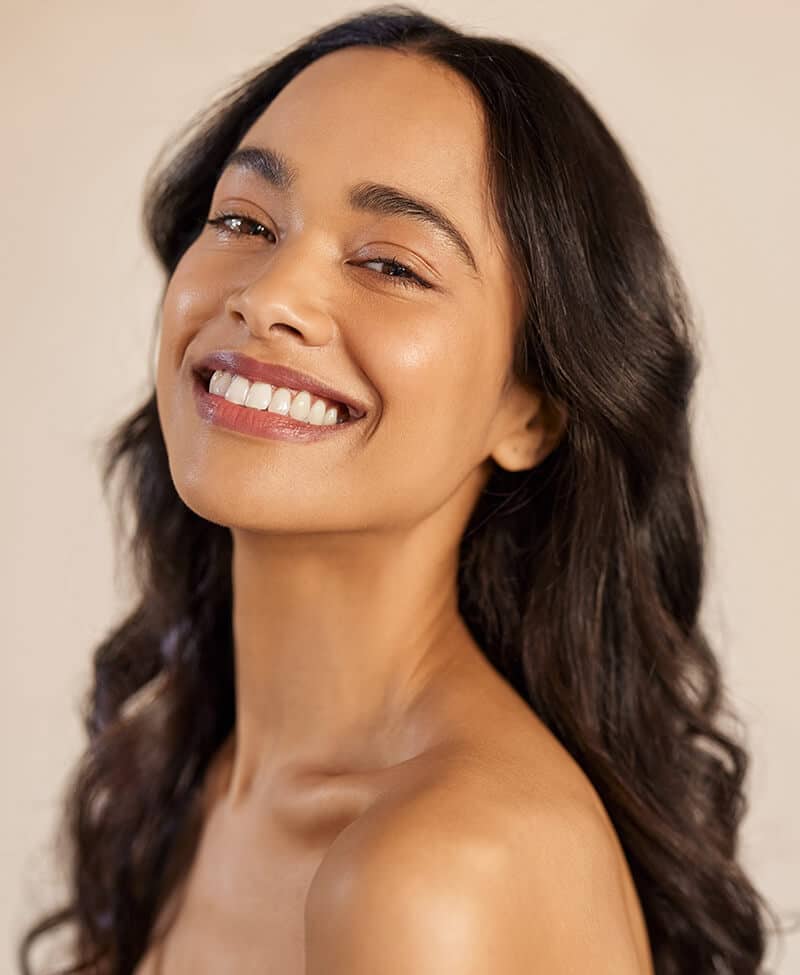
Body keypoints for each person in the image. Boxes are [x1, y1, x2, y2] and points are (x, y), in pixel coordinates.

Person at [19, 6, 780, 974]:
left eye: (388, 263)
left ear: (532, 412)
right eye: (244, 221)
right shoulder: (185, 769)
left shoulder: (428, 876)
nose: (269, 295)